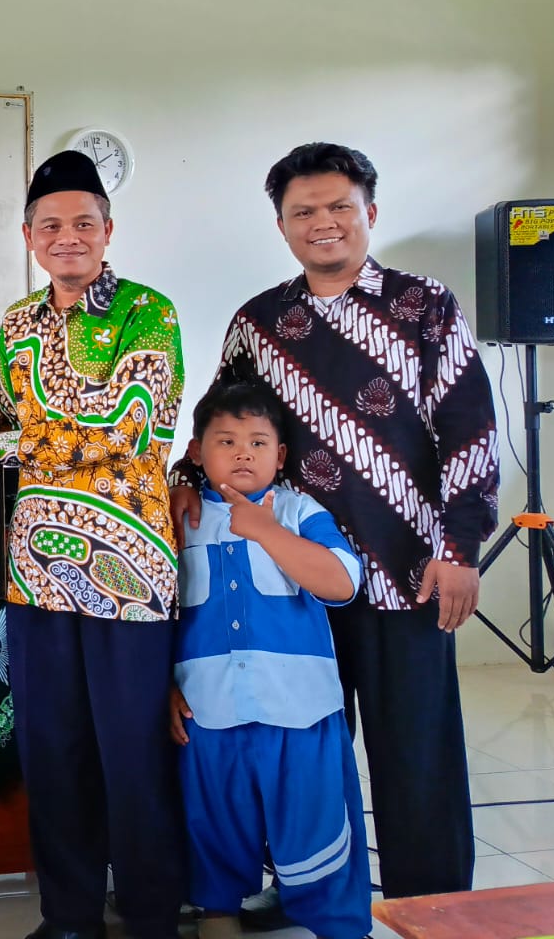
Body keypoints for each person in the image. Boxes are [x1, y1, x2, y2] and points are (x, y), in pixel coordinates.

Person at [170, 143, 497, 907]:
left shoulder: (426, 307)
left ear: (369, 214)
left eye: (339, 207)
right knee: (302, 754)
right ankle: (309, 893)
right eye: (303, 212)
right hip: (288, 587)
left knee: (417, 756)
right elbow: (222, 424)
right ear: (282, 226)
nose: (324, 223)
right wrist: (188, 479)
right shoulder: (259, 322)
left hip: (405, 575)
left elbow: (470, 429)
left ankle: (435, 909)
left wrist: (458, 548)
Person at [0, 150, 186, 939]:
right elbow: (11, 411)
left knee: (133, 753)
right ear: (30, 237)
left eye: (82, 223)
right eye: (50, 226)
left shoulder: (150, 312)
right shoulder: (16, 322)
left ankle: (148, 917)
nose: (67, 238)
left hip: (130, 571)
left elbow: (131, 433)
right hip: (37, 570)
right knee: (53, 750)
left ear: (108, 230)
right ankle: (69, 915)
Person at [169, 378, 371, 939]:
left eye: (258, 443)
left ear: (280, 456)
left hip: (300, 714)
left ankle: (337, 926)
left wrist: (265, 530)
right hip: (208, 716)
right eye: (225, 441)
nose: (242, 453)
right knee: (213, 828)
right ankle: (219, 917)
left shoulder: (300, 510)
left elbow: (340, 583)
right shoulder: (176, 519)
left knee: (317, 824)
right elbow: (153, 611)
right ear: (196, 451)